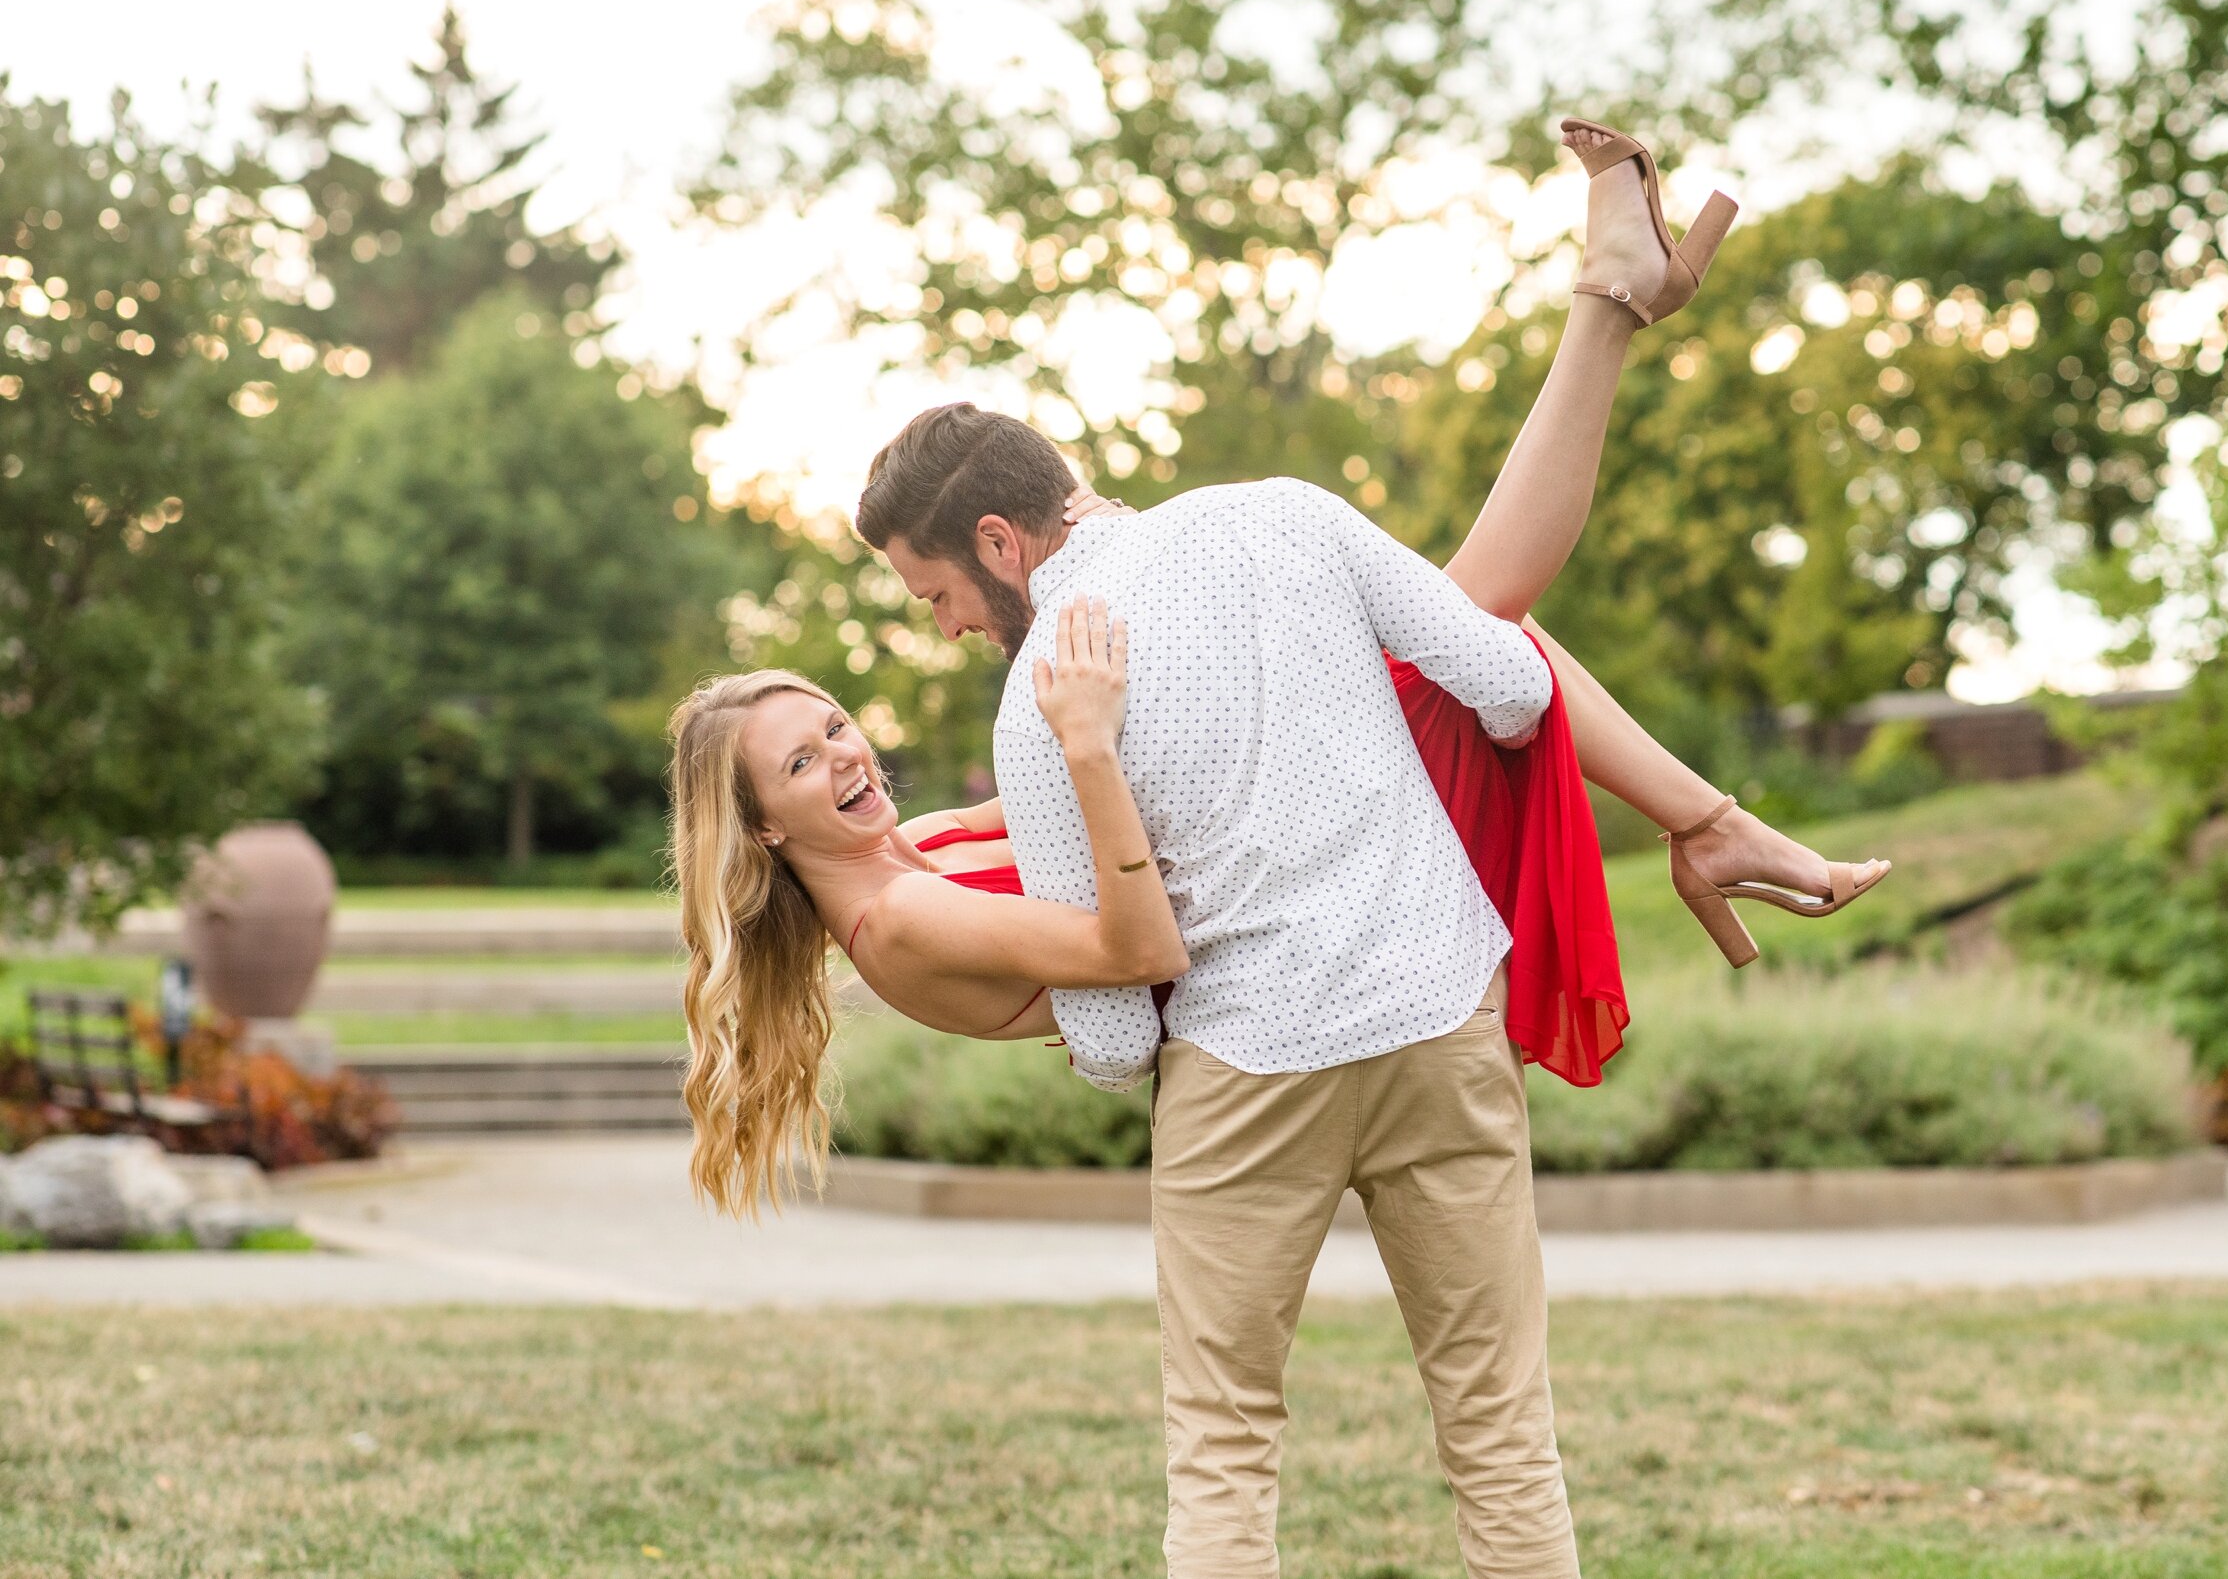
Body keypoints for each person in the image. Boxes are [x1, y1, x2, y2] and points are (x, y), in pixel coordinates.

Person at [666, 119, 1888, 1575]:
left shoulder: (1047, 704)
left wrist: (1123, 772)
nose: (936, 626)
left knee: (1227, 1447)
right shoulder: (1281, 516)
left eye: (932, 591)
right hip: (1440, 1013)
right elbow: (1507, 682)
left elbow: (1117, 1035)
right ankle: (1610, 331)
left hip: (1254, 1069)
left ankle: (1609, 320)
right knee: (1503, 1430)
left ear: (998, 545)